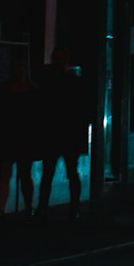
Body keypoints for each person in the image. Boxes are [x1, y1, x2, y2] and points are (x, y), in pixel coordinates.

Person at [36, 45, 90, 220]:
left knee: (52, 172)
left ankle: (45, 208)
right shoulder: (72, 81)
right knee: (67, 172)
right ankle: (73, 208)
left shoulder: (50, 81)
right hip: (64, 133)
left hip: (56, 133)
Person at [0, 56, 41, 218]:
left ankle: (17, 208)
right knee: (12, 173)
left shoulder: (8, 89)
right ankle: (13, 208)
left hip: (14, 136)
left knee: (17, 173)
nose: (19, 71)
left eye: (21, 68)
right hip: (14, 136)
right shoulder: (24, 90)